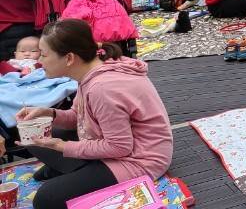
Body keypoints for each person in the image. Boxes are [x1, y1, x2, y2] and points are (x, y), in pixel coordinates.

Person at [12, 19, 171, 209]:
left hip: (140, 158)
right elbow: (79, 118)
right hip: (111, 142)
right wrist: (49, 113)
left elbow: (120, 147)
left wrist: (61, 146)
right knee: (35, 138)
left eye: (44, 55)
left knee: (47, 198)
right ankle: (76, 172)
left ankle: (74, 172)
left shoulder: (102, 88)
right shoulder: (91, 70)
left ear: (69, 58)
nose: (39, 61)